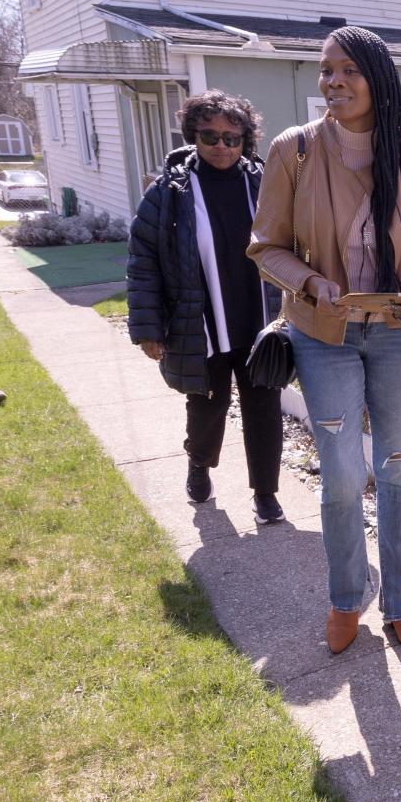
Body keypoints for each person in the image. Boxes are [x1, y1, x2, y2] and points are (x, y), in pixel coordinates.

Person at [248, 26, 401, 655]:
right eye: (325, 72)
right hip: (324, 335)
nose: (333, 83)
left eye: (348, 71)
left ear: (377, 78)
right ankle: (346, 600)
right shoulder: (297, 151)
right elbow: (266, 246)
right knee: (342, 475)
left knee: (396, 468)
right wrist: (310, 281)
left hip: (400, 336)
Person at [127, 90, 285, 524]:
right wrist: (148, 327)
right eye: (210, 135)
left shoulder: (264, 183)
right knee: (207, 406)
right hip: (200, 323)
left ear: (246, 141)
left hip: (258, 323)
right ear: (193, 134)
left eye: (232, 138)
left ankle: (266, 493)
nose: (221, 145)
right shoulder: (168, 192)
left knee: (264, 410)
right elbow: (143, 262)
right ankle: (199, 465)